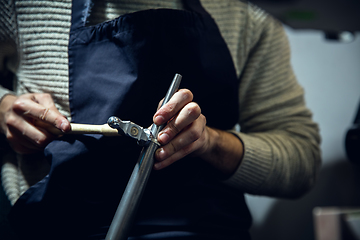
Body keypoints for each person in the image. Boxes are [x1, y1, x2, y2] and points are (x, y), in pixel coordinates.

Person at [0, 0, 321, 239]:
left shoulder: (248, 15)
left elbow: (300, 161)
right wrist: (3, 108)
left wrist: (210, 142)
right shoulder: (21, 6)